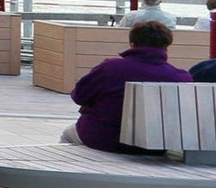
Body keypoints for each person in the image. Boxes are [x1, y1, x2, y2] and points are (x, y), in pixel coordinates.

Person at [62, 21, 193, 153]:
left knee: (67, 134)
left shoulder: (110, 68)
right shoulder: (181, 77)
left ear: (132, 44)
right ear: (166, 47)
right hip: (155, 147)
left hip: (102, 138)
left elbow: (79, 96)